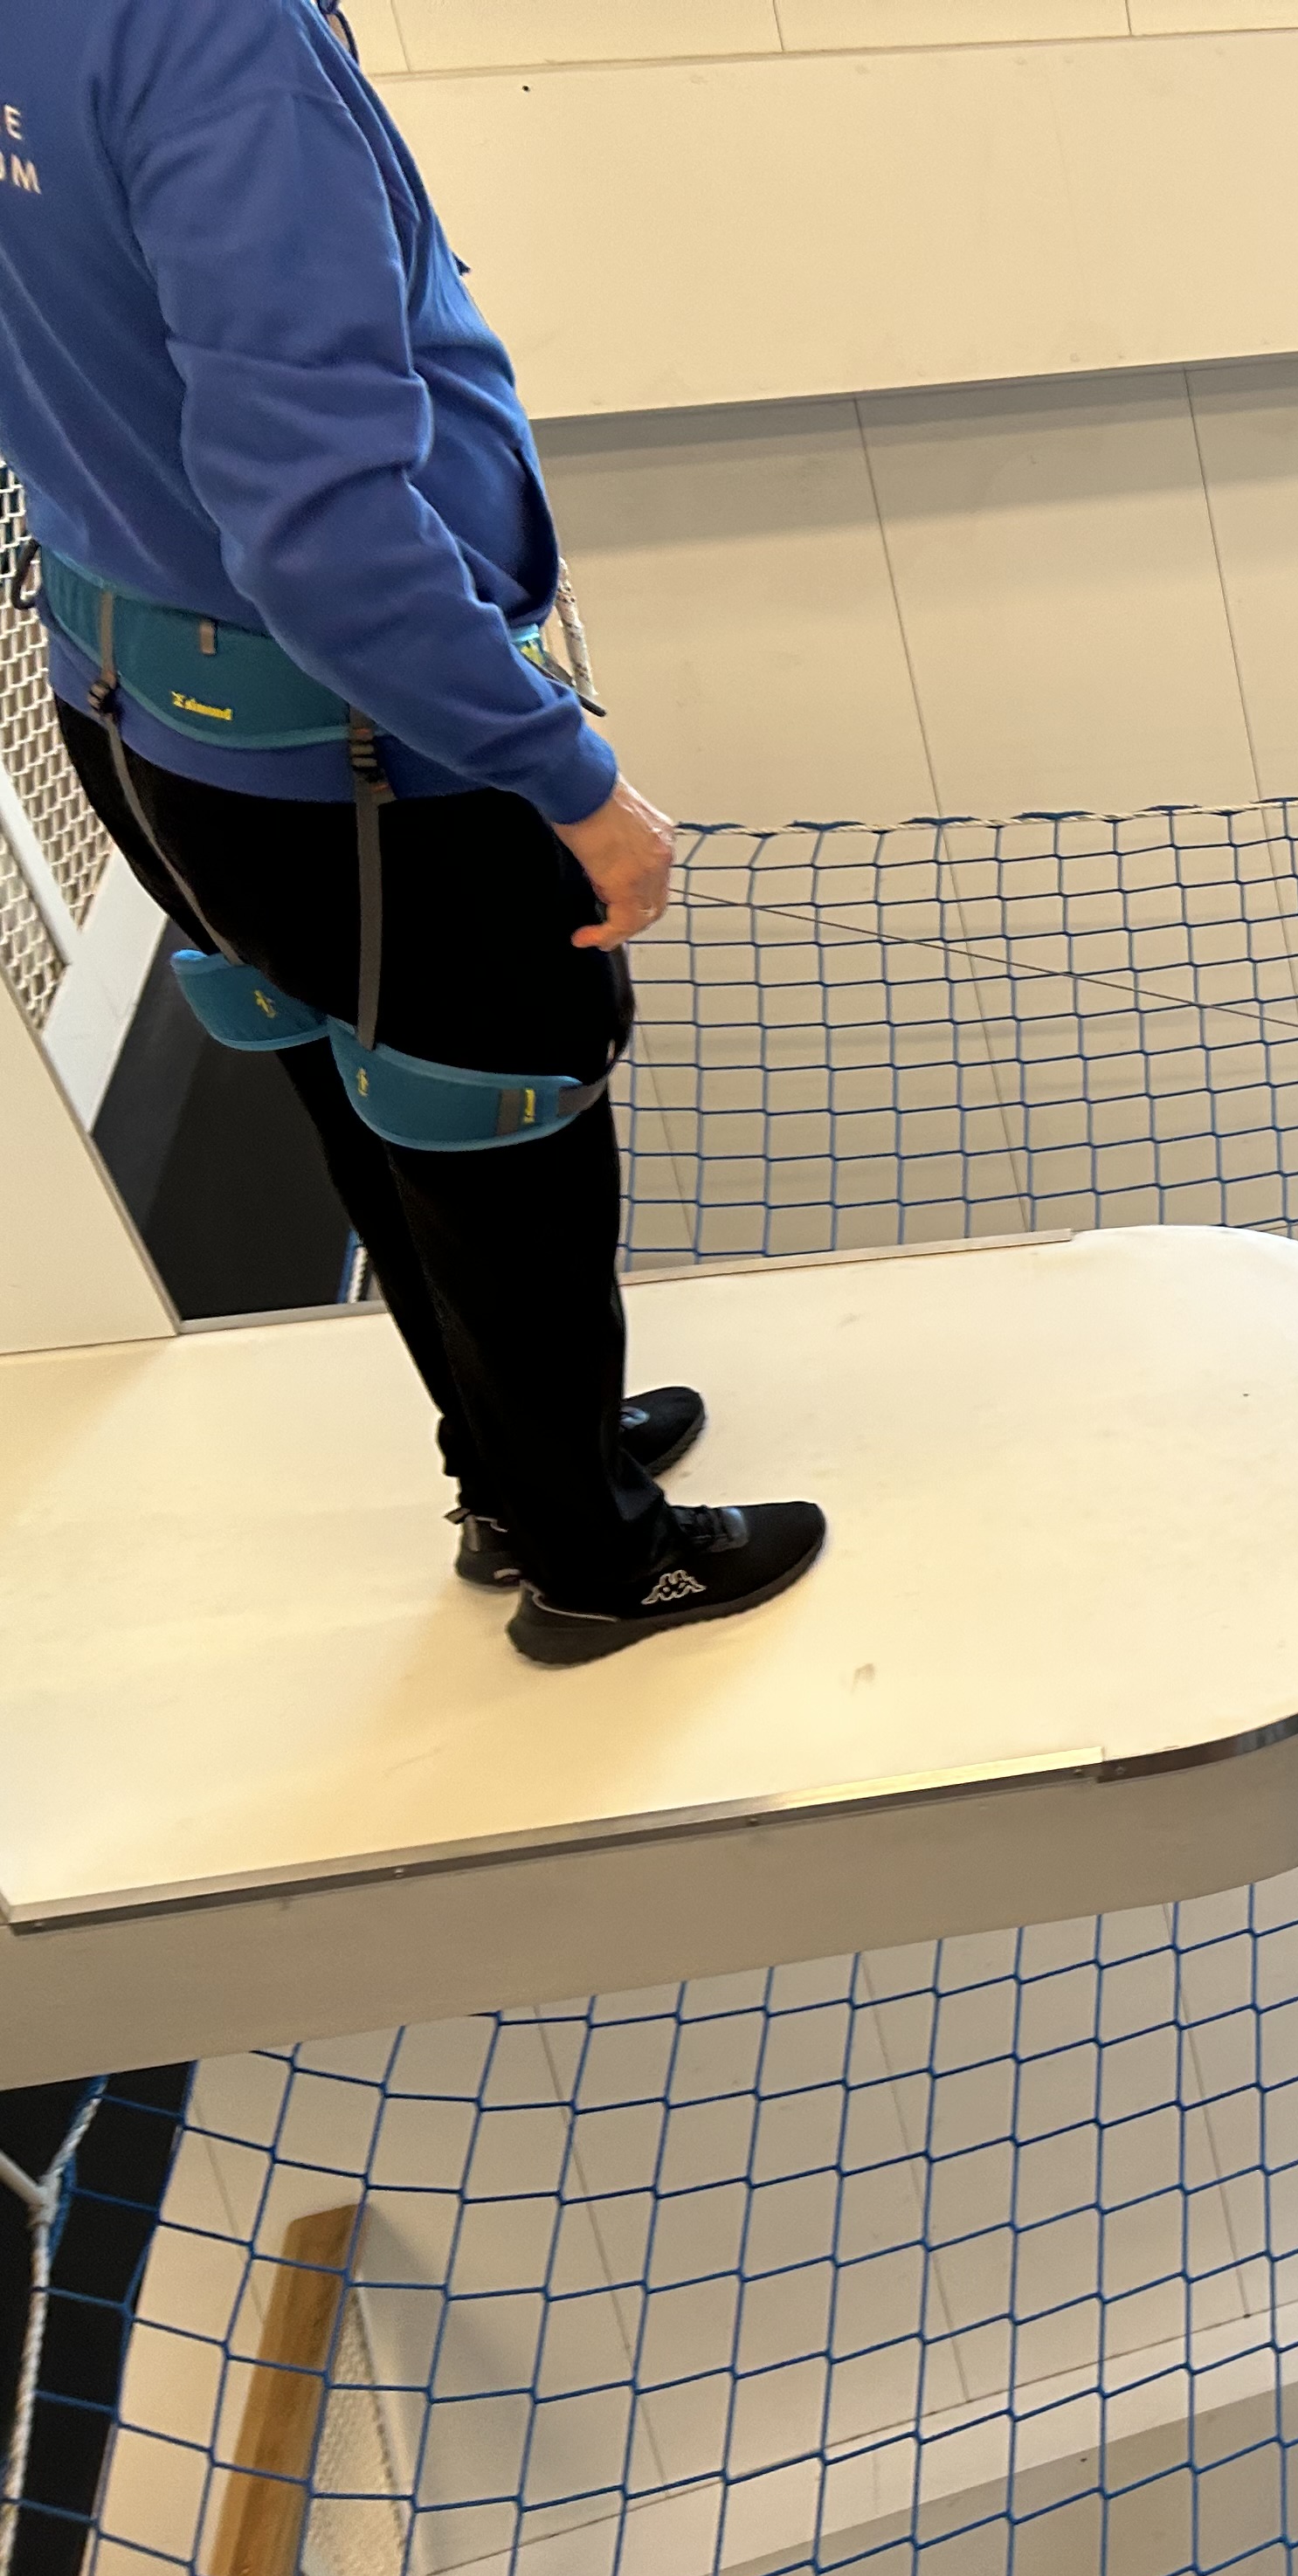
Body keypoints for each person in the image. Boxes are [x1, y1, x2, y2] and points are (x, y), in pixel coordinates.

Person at [0, 0, 824, 1663]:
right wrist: (568, 778)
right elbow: (322, 533)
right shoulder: (208, 37)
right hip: (347, 751)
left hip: (128, 691)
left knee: (356, 1099)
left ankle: (518, 1467)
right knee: (500, 1134)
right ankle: (597, 1560)